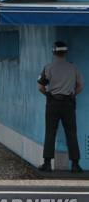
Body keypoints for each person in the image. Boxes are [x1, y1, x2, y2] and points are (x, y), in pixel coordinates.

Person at [37, 41, 83, 173]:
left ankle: (47, 163)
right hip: (68, 103)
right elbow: (80, 85)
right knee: (71, 133)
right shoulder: (73, 68)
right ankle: (75, 164)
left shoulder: (48, 67)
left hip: (53, 103)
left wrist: (48, 95)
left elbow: (40, 87)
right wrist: (72, 94)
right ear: (65, 52)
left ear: (54, 52)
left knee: (50, 132)